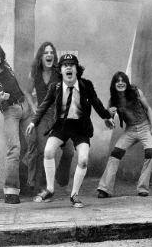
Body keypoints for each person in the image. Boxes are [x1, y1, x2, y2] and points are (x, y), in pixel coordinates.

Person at [26, 53, 115, 207]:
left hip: (80, 128)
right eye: (64, 65)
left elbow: (96, 103)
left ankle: (74, 195)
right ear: (60, 71)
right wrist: (34, 122)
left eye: (71, 65)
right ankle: (50, 188)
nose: (68, 67)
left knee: (83, 160)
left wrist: (107, 116)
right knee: (48, 151)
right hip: (61, 126)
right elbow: (44, 105)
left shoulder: (86, 85)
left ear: (76, 69)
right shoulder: (56, 87)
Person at [0, 42, 34, 204]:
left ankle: (31, 182)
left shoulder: (7, 66)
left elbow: (18, 86)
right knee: (14, 149)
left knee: (36, 142)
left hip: (25, 107)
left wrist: (32, 106)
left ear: (1, 58)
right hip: (10, 112)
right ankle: (11, 191)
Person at [97, 71, 152, 198]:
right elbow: (109, 123)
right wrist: (109, 116)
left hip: (145, 126)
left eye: (123, 80)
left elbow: (148, 108)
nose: (120, 83)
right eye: (117, 81)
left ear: (126, 82)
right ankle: (104, 188)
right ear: (114, 84)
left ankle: (143, 188)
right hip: (130, 130)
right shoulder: (113, 100)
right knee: (115, 154)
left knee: (151, 153)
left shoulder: (136, 92)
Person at [24, 42, 74, 193]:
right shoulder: (35, 73)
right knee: (42, 150)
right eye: (45, 53)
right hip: (43, 115)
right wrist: (34, 109)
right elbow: (27, 92)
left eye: (51, 52)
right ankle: (42, 187)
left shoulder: (59, 72)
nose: (49, 55)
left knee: (69, 150)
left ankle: (61, 176)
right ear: (41, 56)